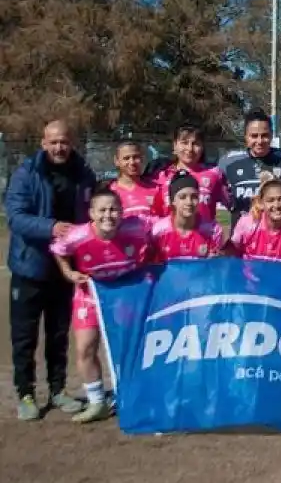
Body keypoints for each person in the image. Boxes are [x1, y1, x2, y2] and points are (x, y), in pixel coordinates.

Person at [5, 120, 95, 420]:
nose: (59, 147)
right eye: (53, 142)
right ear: (43, 143)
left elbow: (92, 213)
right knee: (24, 336)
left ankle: (58, 390)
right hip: (30, 267)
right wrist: (52, 227)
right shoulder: (26, 173)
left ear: (72, 143)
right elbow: (16, 217)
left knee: (58, 335)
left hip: (66, 270)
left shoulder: (84, 173)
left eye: (64, 142)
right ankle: (26, 393)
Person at [50, 189, 150, 423]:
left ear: (122, 212)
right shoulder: (77, 236)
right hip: (90, 296)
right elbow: (58, 250)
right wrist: (68, 272)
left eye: (113, 209)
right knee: (85, 348)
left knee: (131, 347)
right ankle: (97, 403)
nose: (108, 215)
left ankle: (133, 395)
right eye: (102, 210)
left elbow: (158, 237)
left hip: (125, 296)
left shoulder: (137, 228)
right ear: (91, 213)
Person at [218, 109, 281, 227]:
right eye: (254, 136)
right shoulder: (229, 161)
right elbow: (212, 188)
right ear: (246, 137)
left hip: (278, 234)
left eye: (264, 135)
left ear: (271, 135)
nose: (259, 141)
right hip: (242, 234)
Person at [146, 124, 229, 222]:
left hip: (204, 232)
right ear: (175, 146)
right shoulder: (160, 176)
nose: (190, 149)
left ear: (202, 147)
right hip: (168, 231)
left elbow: (233, 206)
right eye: (184, 143)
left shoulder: (215, 174)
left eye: (195, 144)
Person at [230, 172, 281, 264]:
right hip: (250, 273)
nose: (277, 205)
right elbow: (232, 257)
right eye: (270, 200)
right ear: (261, 203)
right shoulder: (247, 224)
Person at [149, 170, 225, 261]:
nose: (189, 202)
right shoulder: (158, 231)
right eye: (182, 197)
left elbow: (215, 266)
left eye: (194, 197)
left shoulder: (213, 230)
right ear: (172, 201)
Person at [108, 141, 163, 223]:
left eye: (136, 157)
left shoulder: (156, 189)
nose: (132, 162)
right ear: (116, 161)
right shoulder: (109, 191)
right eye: (126, 158)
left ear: (142, 159)